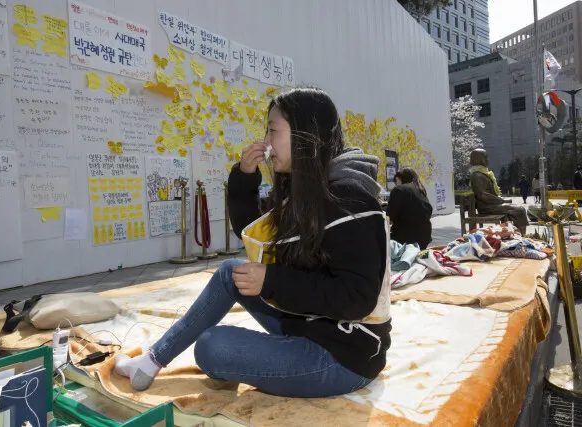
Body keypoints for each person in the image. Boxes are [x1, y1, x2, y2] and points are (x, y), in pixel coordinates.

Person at [114, 88, 391, 398]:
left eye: (273, 130)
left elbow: (357, 297)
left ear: (304, 136)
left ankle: (286, 356)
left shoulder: (350, 198)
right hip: (309, 324)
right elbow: (255, 234)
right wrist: (245, 177)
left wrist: (272, 280)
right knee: (231, 272)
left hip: (344, 356)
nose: (266, 141)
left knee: (211, 346)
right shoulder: (304, 187)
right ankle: (151, 361)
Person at [470, 149, 529, 234]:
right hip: (486, 207)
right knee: (519, 210)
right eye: (485, 157)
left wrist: (500, 199)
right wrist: (501, 200)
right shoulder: (476, 175)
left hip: (491, 205)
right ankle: (521, 236)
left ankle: (517, 234)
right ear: (478, 159)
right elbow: (483, 195)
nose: (488, 160)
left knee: (518, 209)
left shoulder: (483, 174)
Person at [386, 168, 432, 249]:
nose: (395, 185)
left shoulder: (399, 190)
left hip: (405, 240)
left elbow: (390, 216)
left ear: (401, 179)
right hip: (424, 238)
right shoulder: (420, 190)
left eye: (396, 181)